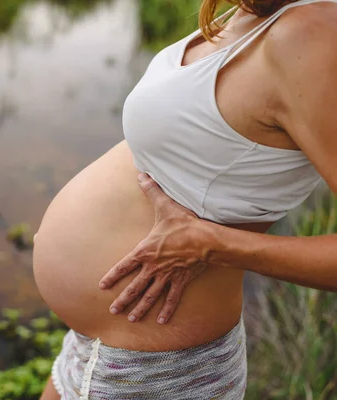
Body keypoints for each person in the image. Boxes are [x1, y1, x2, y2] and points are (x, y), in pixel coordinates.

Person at [32, 0, 337, 398]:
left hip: (156, 370)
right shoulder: (248, 12)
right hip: (98, 344)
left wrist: (214, 245)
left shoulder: (313, 32)